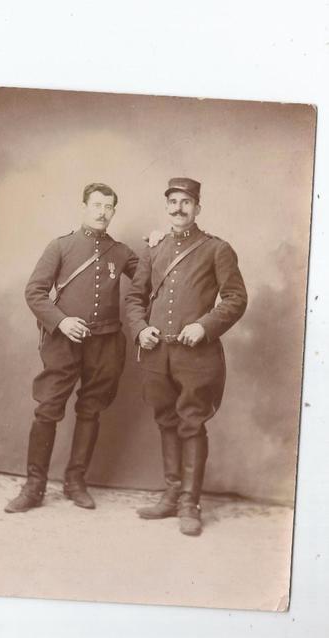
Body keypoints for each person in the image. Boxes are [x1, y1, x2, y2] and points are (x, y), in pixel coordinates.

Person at [5, 182, 139, 513]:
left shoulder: (120, 252)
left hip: (106, 343)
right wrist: (62, 321)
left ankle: (75, 482)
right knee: (48, 408)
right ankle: (34, 486)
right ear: (83, 207)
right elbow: (35, 292)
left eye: (109, 207)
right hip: (64, 341)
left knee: (91, 409)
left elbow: (148, 282)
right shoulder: (61, 247)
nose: (102, 212)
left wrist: (158, 245)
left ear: (113, 212)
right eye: (96, 205)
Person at [125, 177, 248, 536]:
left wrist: (205, 326)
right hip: (155, 352)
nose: (179, 208)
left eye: (186, 202)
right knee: (166, 420)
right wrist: (139, 328)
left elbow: (236, 298)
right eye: (173, 201)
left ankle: (190, 503)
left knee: (191, 422)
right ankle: (171, 494)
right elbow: (135, 298)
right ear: (167, 206)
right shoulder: (154, 249)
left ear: (197, 207)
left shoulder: (216, 249)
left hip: (196, 355)